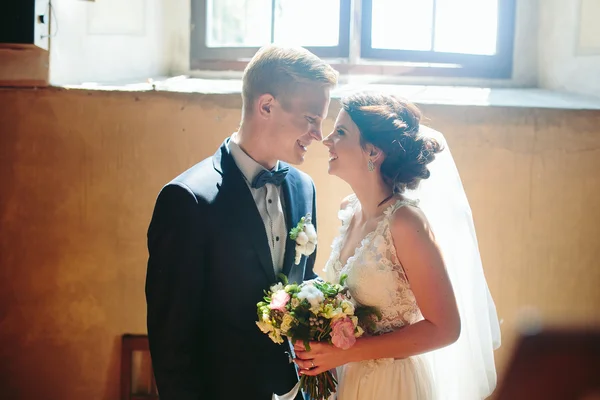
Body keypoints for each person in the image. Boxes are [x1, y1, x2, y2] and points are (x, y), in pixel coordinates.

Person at [145, 44, 338, 400]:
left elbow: (300, 282)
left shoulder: (303, 188)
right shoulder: (187, 200)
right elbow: (171, 340)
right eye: (311, 119)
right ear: (266, 105)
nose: (319, 135)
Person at [293, 92, 501, 399]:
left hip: (390, 385)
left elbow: (445, 328)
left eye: (341, 132)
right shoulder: (349, 210)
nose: (326, 140)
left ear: (373, 152)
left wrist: (349, 352)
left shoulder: (406, 223)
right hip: (347, 381)